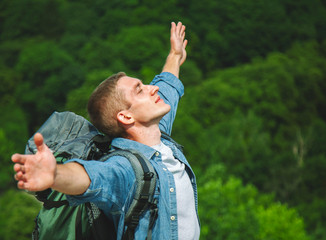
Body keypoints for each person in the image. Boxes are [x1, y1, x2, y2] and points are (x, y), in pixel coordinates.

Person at [12, 21, 200, 240]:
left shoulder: (160, 136)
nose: (152, 88)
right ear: (126, 116)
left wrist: (175, 55)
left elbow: (167, 85)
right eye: (139, 90)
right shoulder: (127, 170)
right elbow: (92, 178)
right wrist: (55, 174)